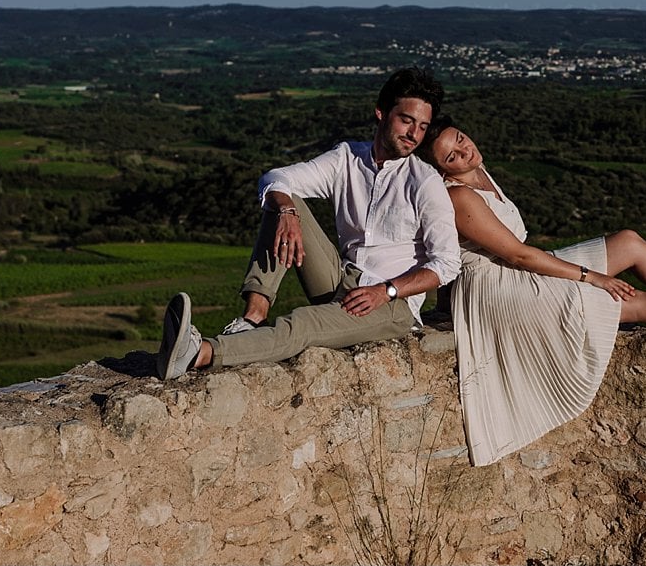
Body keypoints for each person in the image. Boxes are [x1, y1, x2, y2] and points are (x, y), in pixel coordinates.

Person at [416, 117, 646, 466]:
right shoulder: (459, 195)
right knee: (612, 299)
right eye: (451, 155)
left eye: (461, 139)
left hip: (520, 267)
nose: (464, 151)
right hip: (499, 288)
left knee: (629, 242)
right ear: (441, 169)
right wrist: (591, 277)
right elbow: (517, 255)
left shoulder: (478, 169)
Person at [155, 68, 461, 380]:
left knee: (303, 323)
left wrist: (387, 290)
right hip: (341, 278)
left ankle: (199, 353)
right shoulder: (346, 158)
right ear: (381, 113)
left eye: (422, 127)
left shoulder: (424, 182)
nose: (413, 134)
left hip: (391, 305)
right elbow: (276, 178)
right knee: (283, 202)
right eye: (406, 120)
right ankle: (253, 317)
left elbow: (448, 263)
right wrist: (287, 210)